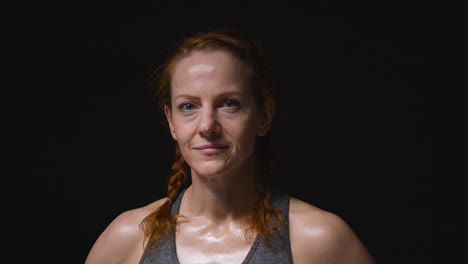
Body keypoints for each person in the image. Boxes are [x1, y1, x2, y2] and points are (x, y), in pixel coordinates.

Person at [85, 29, 375, 264]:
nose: (207, 126)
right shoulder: (131, 237)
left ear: (263, 116)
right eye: (188, 106)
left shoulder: (318, 238)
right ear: (171, 121)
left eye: (229, 104)